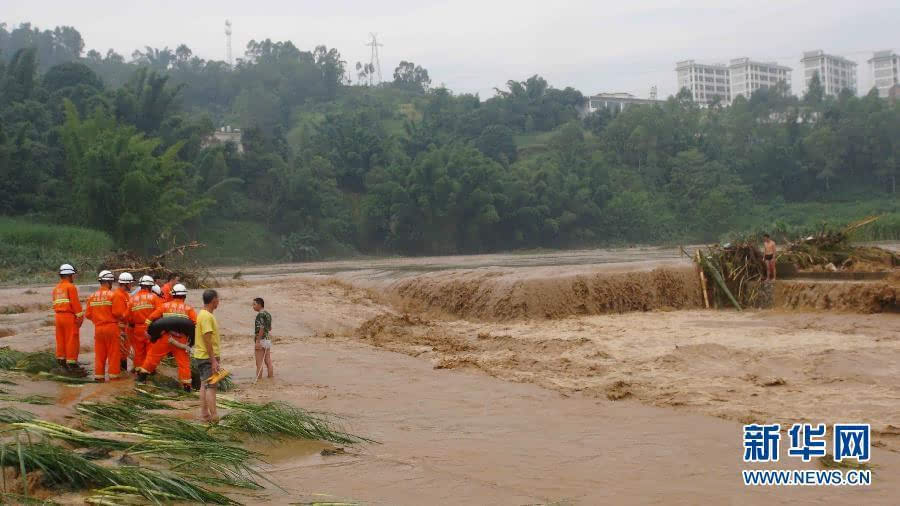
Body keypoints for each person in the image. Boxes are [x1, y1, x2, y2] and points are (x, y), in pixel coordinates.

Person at [136, 283, 196, 391]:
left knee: (152, 357)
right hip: (181, 341)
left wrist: (149, 332)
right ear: (184, 296)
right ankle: (187, 388)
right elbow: (195, 325)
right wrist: (191, 341)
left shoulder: (165, 306)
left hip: (165, 337)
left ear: (173, 295)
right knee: (184, 363)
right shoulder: (189, 309)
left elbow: (150, 319)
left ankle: (141, 379)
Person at [85, 270, 121, 382]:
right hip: (111, 327)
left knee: (99, 355)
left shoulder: (92, 296)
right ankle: (114, 380)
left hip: (98, 329)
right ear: (109, 282)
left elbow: (88, 315)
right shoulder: (113, 295)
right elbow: (117, 313)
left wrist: (98, 319)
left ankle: (99, 377)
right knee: (113, 354)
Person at [194, 289, 222, 422]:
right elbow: (207, 338)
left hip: (201, 355)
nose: (219, 301)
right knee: (211, 386)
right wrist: (213, 360)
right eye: (218, 299)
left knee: (204, 385)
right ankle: (214, 416)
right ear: (213, 300)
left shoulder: (203, 314)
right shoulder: (206, 316)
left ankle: (205, 414)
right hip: (207, 357)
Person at [52, 264, 84, 373]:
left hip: (58, 317)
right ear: (69, 275)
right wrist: (80, 317)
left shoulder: (56, 288)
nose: (73, 277)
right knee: (72, 339)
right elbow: (76, 304)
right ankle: (72, 364)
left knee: (60, 339)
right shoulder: (71, 287)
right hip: (68, 317)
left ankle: (61, 361)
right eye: (73, 275)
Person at [129, 275, 161, 374]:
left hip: (137, 329)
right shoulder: (154, 297)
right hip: (151, 329)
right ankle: (149, 371)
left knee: (138, 352)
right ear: (148, 287)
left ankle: (139, 372)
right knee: (150, 351)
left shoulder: (132, 299)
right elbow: (161, 313)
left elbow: (128, 317)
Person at [112, 272, 134, 373]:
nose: (131, 285)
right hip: (120, 329)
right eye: (130, 283)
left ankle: (123, 374)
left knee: (125, 352)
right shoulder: (118, 295)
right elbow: (118, 313)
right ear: (126, 284)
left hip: (125, 328)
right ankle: (120, 374)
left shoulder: (125, 295)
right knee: (121, 353)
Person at [252, 297, 274, 380]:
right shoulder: (268, 314)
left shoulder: (260, 315)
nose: (253, 306)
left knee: (259, 363)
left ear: (260, 305)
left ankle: (259, 381)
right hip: (267, 339)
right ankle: (271, 378)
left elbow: (261, 328)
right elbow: (269, 328)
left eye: (254, 304)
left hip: (261, 339)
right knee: (268, 360)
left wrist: (257, 342)